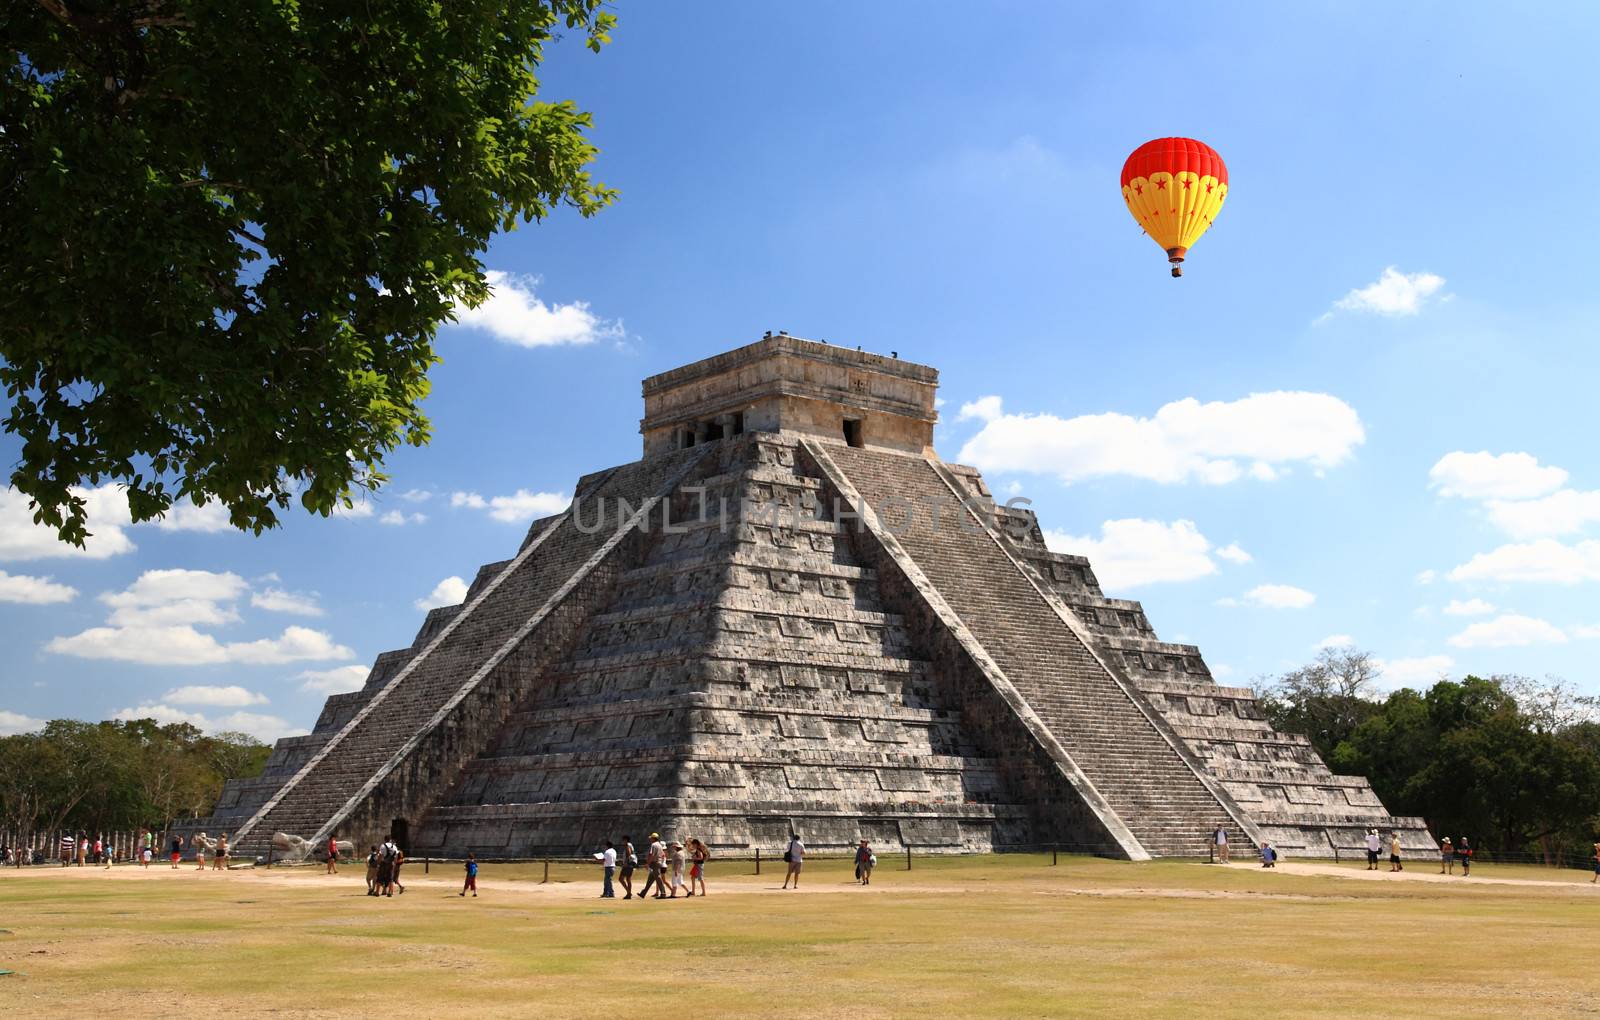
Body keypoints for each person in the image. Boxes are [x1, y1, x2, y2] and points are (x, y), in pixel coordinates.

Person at [638, 833, 666, 900]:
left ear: (653, 838)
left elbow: (651, 855)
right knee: (650, 879)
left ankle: (663, 893)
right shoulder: (659, 845)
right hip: (658, 862)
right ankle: (643, 893)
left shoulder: (653, 845)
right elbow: (662, 854)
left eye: (651, 838)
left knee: (658, 878)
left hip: (655, 863)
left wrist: (648, 863)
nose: (650, 839)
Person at [618, 835, 636, 900]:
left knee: (621, 879)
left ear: (625, 840)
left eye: (623, 840)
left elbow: (629, 853)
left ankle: (629, 893)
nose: (622, 841)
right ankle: (629, 893)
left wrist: (626, 862)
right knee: (628, 879)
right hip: (630, 864)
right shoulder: (630, 845)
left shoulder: (627, 845)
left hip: (628, 865)